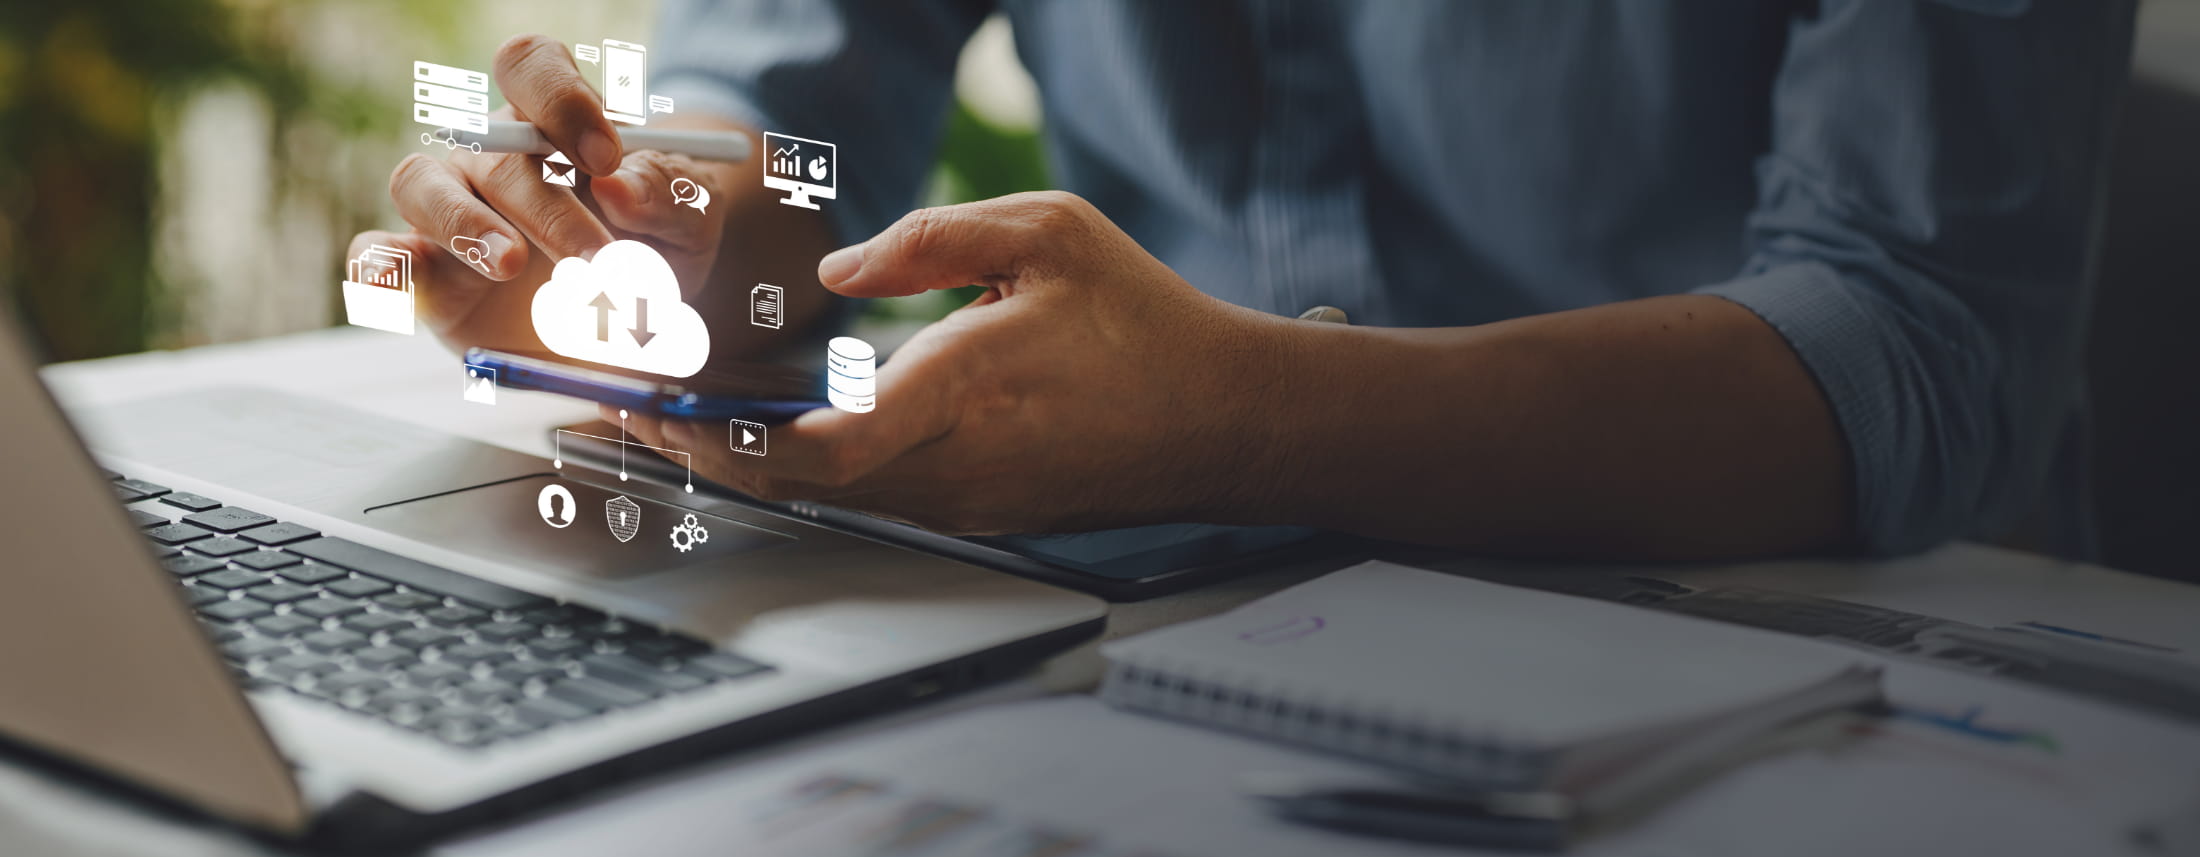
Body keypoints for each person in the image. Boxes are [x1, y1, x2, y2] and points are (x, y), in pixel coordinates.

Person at [356, 1, 2135, 560]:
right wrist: (645, 219)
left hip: (1775, 647)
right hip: (1109, 646)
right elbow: (795, 100)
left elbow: (1925, 340)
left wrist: (1251, 424)